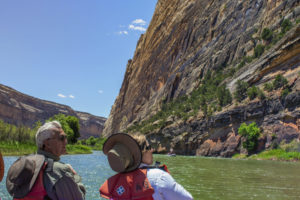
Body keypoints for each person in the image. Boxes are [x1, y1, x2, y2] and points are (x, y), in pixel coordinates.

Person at [99, 133, 193, 200]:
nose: (152, 150)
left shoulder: (115, 183)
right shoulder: (158, 177)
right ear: (139, 153)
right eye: (148, 147)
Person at [6, 121, 86, 200]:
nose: (66, 141)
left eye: (65, 137)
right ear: (47, 143)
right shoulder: (60, 170)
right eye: (62, 138)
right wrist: (75, 176)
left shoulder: (29, 163)